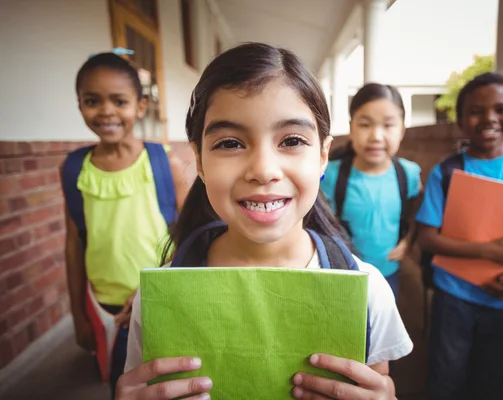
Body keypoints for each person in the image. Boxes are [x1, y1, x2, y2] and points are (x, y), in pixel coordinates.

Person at [115, 42, 413, 400]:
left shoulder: (368, 291)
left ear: (322, 156)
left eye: (291, 140)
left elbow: (378, 383)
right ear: (199, 160)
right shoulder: (158, 297)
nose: (263, 170)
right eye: (229, 143)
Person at [60, 52, 189, 397]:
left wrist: (159, 281)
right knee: (122, 384)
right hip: (105, 310)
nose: (106, 111)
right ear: (80, 105)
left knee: (171, 383)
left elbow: (192, 231)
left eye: (119, 101)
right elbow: (74, 244)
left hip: (162, 303)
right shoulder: (75, 169)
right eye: (92, 101)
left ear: (140, 106)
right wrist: (78, 314)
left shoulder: (163, 162)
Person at [416, 72, 503, 400]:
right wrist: (487, 251)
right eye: (476, 111)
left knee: (491, 378)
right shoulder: (446, 173)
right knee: (446, 376)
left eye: (501, 109)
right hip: (453, 296)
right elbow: (428, 238)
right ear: (460, 121)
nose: (489, 118)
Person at [320, 83, 421, 299]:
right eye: (365, 124)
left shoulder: (409, 174)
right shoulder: (330, 175)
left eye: (388, 125)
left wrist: (408, 241)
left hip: (389, 273)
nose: (376, 135)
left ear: (402, 130)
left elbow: (416, 212)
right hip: (345, 273)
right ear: (352, 128)